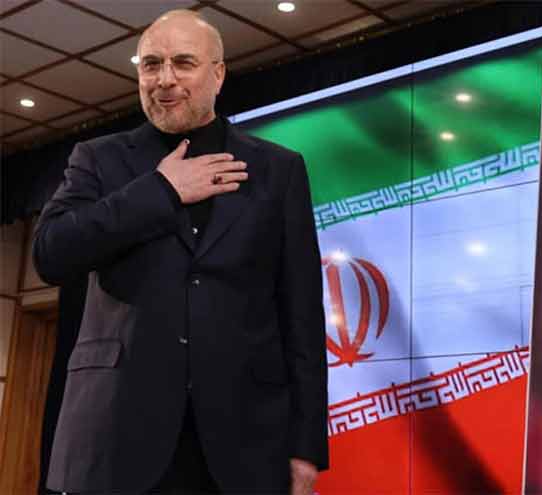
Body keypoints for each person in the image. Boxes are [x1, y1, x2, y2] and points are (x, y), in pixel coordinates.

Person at [32, 9, 327, 494]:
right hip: (117, 436)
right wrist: (160, 191)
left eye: (183, 63)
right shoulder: (98, 158)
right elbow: (50, 254)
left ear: (218, 74)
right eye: (151, 65)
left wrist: (306, 446)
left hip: (244, 443)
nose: (164, 79)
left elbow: (302, 316)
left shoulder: (279, 170)